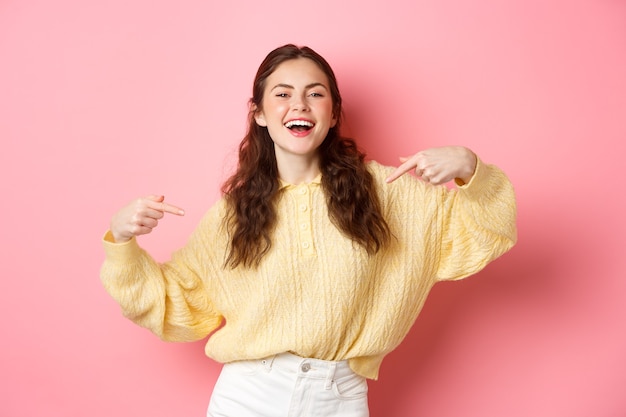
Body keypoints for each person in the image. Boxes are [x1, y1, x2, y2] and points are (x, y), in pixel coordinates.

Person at [100, 44, 517, 417]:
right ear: (260, 113)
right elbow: (178, 304)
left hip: (340, 396)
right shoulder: (233, 214)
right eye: (282, 94)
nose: (299, 105)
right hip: (248, 396)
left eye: (315, 94)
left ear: (333, 113)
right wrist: (121, 241)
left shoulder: (391, 194)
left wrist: (469, 168)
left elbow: (484, 231)